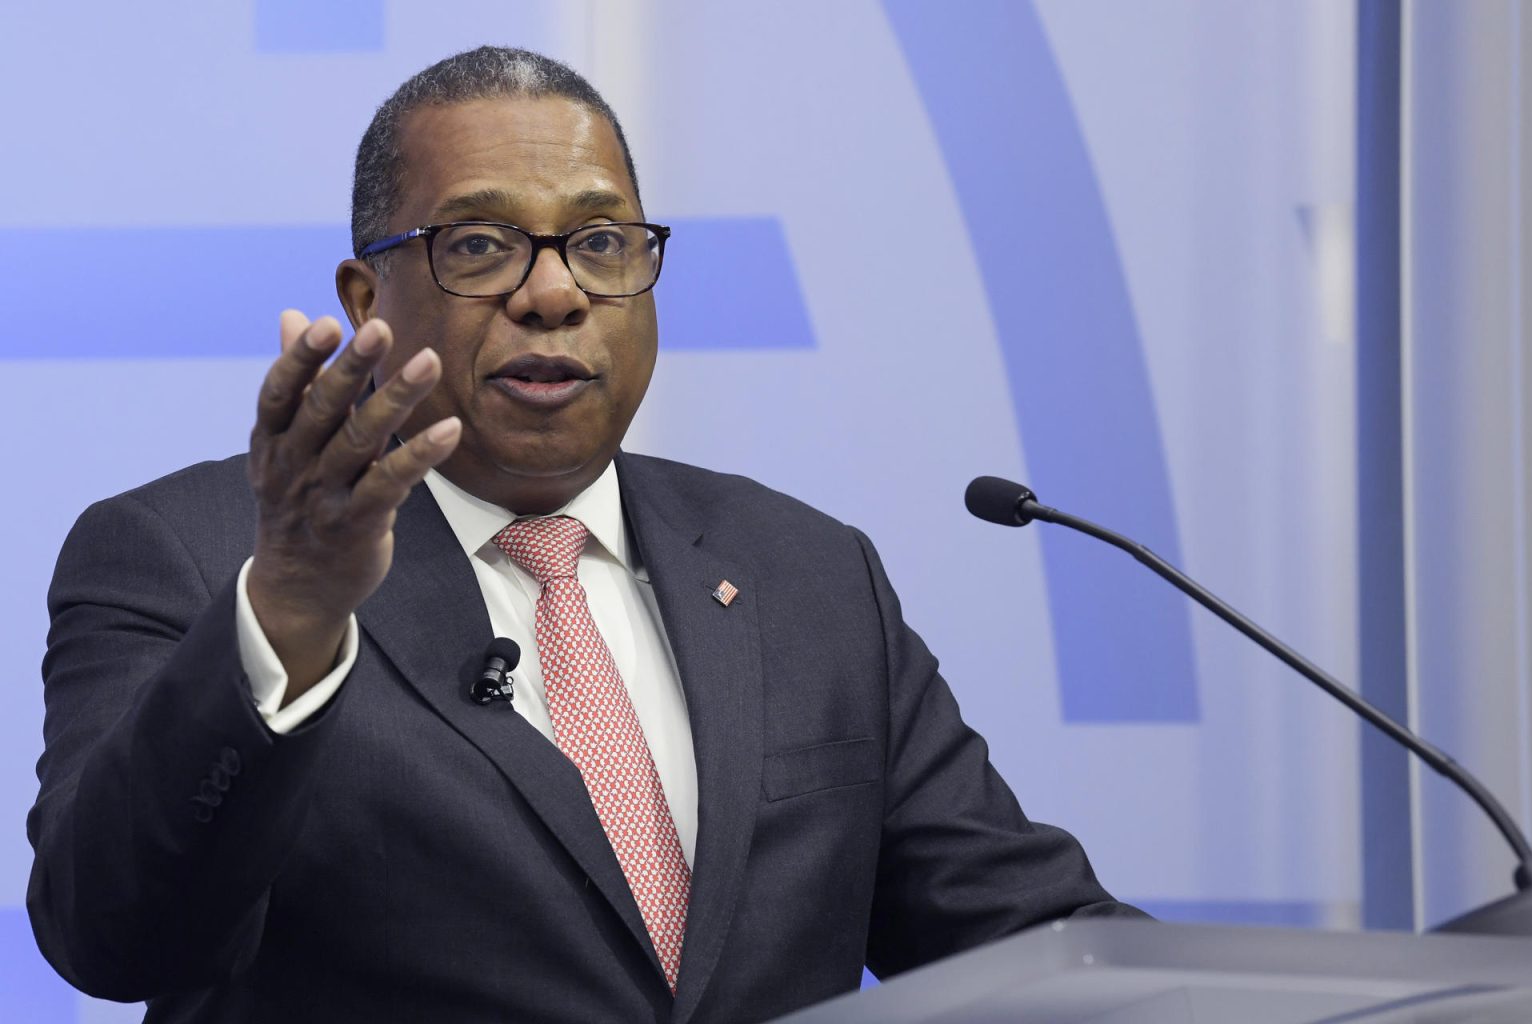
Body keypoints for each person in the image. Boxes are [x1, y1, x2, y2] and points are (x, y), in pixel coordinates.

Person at [28, 46, 1143, 1024]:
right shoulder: (186, 554)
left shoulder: (806, 573)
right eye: (479, 245)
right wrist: (293, 612)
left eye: (601, 241)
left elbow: (1024, 938)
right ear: (368, 298)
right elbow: (114, 937)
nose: (553, 293)